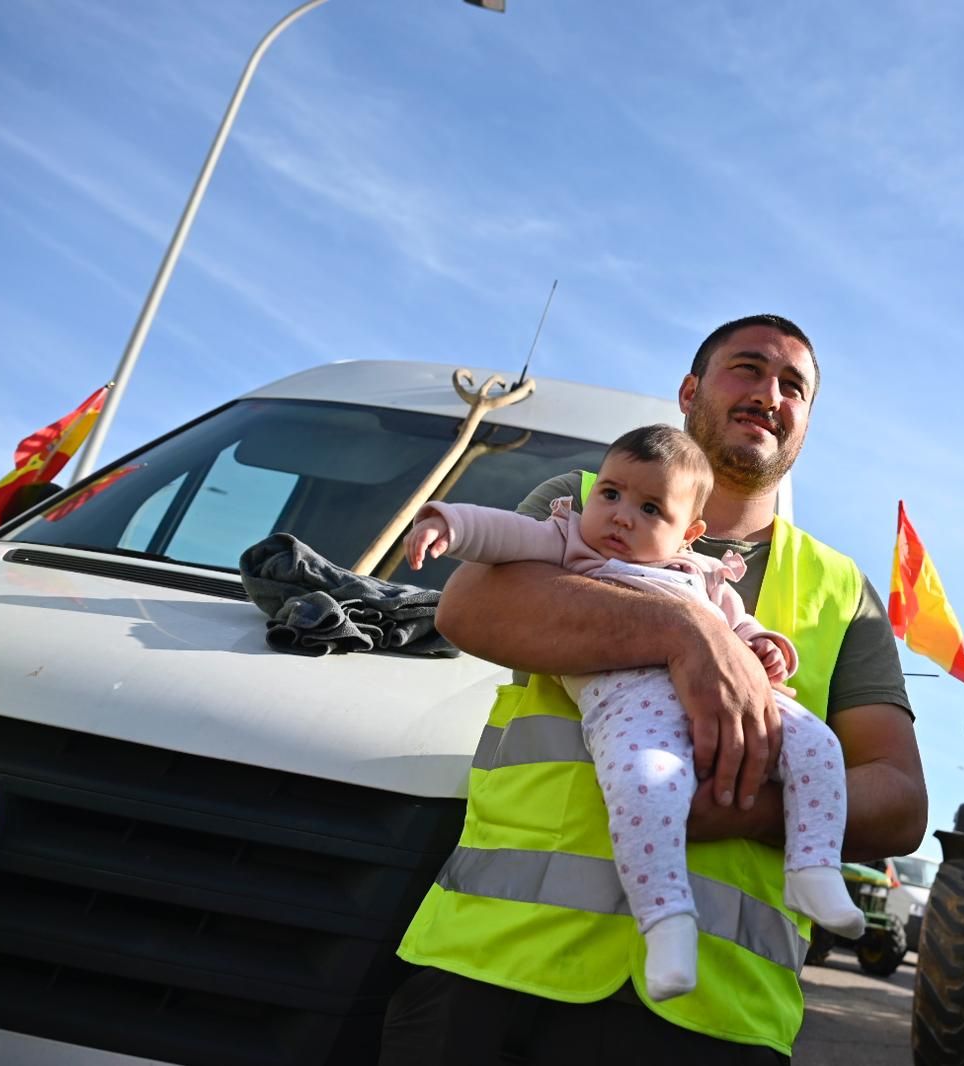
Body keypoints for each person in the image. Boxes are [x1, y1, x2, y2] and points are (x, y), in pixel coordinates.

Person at [382, 314, 926, 1065]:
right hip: (495, 970)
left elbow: (898, 799)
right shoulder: (582, 503)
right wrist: (686, 631)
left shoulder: (841, 591)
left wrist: (746, 812)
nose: (771, 393)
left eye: (793, 386)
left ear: (804, 425)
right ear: (689, 390)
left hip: (716, 1014)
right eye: (749, 368)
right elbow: (472, 608)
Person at [399, 423, 866, 1001]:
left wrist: (767, 646)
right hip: (630, 708)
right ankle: (666, 922)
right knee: (647, 785)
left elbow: (739, 628)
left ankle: (813, 870)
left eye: (649, 508)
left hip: (742, 705)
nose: (620, 516)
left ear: (688, 535)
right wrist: (449, 524)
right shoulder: (571, 542)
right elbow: (502, 533)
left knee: (820, 747)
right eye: (611, 495)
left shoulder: (700, 575)